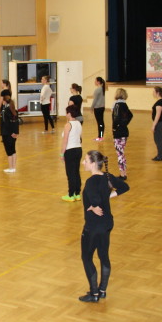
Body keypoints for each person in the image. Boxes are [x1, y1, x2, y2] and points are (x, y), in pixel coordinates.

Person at [78, 150, 114, 302]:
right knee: (104, 256)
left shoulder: (91, 181)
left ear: (93, 164)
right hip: (107, 224)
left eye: (85, 160)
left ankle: (94, 294)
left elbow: (95, 199)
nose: (83, 163)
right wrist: (108, 197)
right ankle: (102, 290)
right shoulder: (107, 177)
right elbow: (124, 187)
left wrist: (93, 206)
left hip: (93, 226)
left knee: (86, 257)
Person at [60, 105, 83, 202]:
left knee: (70, 173)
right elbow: (80, 138)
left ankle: (70, 195)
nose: (66, 114)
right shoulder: (78, 123)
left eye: (66, 113)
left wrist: (62, 154)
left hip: (70, 150)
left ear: (69, 113)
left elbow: (65, 140)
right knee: (76, 172)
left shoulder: (68, 125)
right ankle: (77, 194)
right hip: (78, 149)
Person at [111, 88, 133, 179]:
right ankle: (124, 173)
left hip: (118, 132)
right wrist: (124, 123)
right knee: (121, 152)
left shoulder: (116, 105)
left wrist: (114, 128)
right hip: (124, 131)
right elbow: (130, 115)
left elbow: (115, 118)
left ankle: (122, 174)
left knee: (120, 154)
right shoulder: (125, 105)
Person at [0, 95, 19, 173]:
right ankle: (14, 167)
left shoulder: (5, 111)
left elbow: (6, 124)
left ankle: (11, 168)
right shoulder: (14, 110)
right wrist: (16, 133)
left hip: (7, 134)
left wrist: (11, 133)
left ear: (4, 101)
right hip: (14, 134)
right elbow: (16, 123)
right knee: (13, 150)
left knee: (9, 152)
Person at [151, 87, 162, 161]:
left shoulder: (160, 102)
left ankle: (160, 156)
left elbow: (158, 114)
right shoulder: (161, 101)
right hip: (161, 122)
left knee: (158, 139)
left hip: (160, 123)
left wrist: (154, 125)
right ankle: (160, 155)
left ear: (157, 93)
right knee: (160, 139)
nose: (152, 93)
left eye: (153, 91)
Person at [90, 77, 106, 141]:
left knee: (100, 123)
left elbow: (95, 100)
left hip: (98, 108)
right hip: (102, 107)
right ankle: (101, 136)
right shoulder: (102, 88)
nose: (94, 82)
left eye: (95, 80)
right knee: (101, 122)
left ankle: (100, 136)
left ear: (98, 82)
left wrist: (91, 107)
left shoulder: (98, 90)